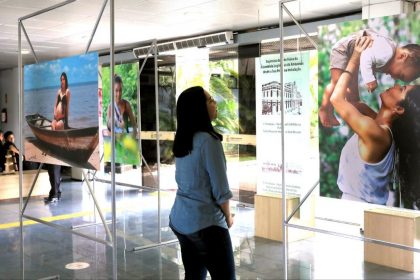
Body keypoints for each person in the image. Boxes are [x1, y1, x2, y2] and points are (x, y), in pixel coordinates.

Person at [330, 36, 420, 205]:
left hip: (358, 210)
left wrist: (355, 57)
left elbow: (337, 100)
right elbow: (353, 102)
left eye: (401, 88)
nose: (394, 84)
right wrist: (359, 55)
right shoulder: (379, 126)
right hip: (358, 207)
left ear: (399, 109)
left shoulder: (377, 135)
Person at [169, 86, 235, 280]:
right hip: (206, 223)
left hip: (181, 220)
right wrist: (228, 218)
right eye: (209, 100)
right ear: (198, 108)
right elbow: (221, 190)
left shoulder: (183, 139)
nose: (214, 103)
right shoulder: (209, 141)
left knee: (194, 276)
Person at [320, 29, 420, 127]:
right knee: (337, 83)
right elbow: (366, 57)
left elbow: (371, 46)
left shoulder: (387, 52)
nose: (394, 78)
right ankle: (325, 109)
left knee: (351, 96)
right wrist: (370, 79)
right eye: (400, 75)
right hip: (343, 50)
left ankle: (350, 114)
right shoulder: (387, 52)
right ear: (402, 56)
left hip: (353, 54)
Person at [44, 73, 68, 203]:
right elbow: (55, 110)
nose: (62, 82)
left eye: (63, 79)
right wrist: (54, 121)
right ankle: (54, 192)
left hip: (60, 133)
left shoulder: (67, 94)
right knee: (51, 169)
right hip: (55, 132)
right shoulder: (59, 93)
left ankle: (55, 194)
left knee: (55, 168)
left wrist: (58, 122)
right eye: (61, 80)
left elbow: (65, 114)